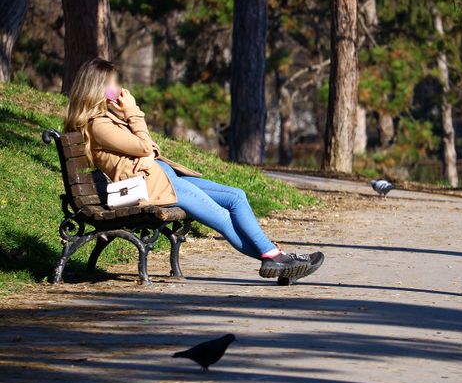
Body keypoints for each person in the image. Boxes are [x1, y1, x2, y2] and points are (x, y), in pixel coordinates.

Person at [64, 58, 324, 283]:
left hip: (160, 175)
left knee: (236, 196)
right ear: (98, 88)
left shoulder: (109, 118)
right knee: (222, 217)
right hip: (152, 186)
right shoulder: (99, 125)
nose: (120, 88)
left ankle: (275, 258)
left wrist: (148, 154)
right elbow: (143, 144)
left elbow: (149, 147)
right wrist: (134, 114)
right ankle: (276, 258)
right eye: (113, 82)